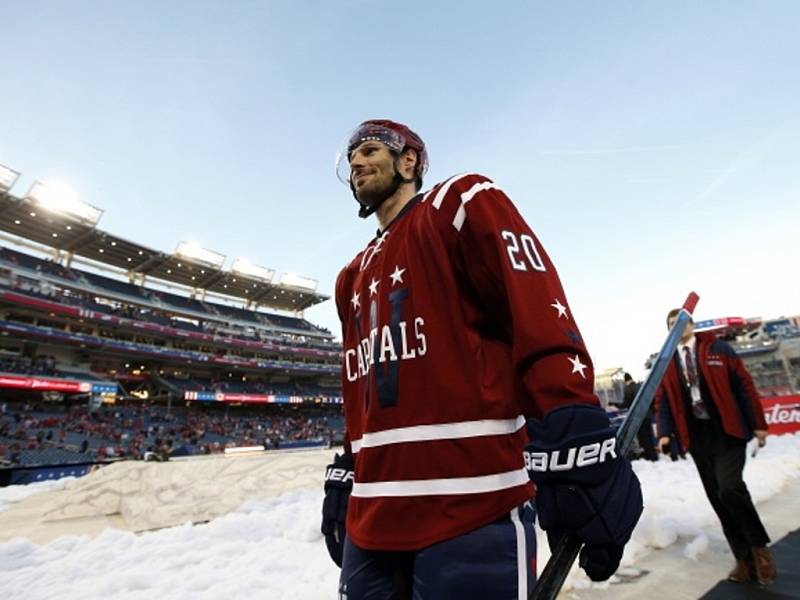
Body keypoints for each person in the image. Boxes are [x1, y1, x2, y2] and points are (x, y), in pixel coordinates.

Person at [321, 119, 643, 599]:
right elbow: (359, 382)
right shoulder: (351, 275)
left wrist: (572, 426)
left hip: (471, 501)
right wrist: (350, 462)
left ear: (409, 160)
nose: (356, 163)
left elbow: (533, 310)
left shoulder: (458, 203)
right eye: (350, 158)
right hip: (372, 513)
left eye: (368, 150)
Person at [656, 308, 775, 585]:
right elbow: (662, 401)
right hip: (696, 437)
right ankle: (743, 560)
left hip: (728, 431)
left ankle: (761, 552)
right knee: (718, 497)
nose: (678, 326)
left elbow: (744, 385)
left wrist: (759, 424)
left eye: (682, 322)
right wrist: (664, 434)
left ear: (692, 325)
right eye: (672, 323)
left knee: (730, 487)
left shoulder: (718, 348)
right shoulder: (667, 362)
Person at [621, 372, 658, 461]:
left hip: (638, 417)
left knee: (643, 437)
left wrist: (614, 404)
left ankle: (649, 456)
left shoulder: (628, 389)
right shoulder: (640, 386)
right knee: (650, 436)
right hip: (648, 414)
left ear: (625, 380)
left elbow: (626, 404)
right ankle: (654, 455)